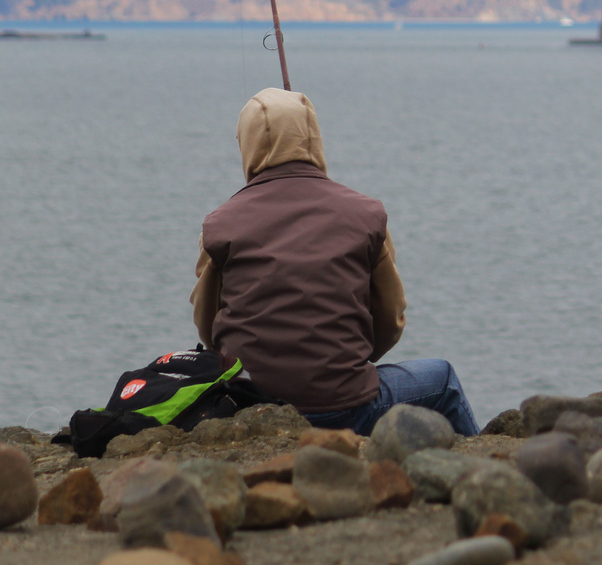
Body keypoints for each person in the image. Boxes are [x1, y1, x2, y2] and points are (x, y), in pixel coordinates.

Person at [190, 87, 478, 435]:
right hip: (346, 409)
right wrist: (340, 360)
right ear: (312, 137)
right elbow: (391, 320)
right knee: (442, 378)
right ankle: (480, 478)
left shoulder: (220, 224)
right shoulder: (365, 214)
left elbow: (208, 330)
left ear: (247, 143)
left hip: (252, 408)